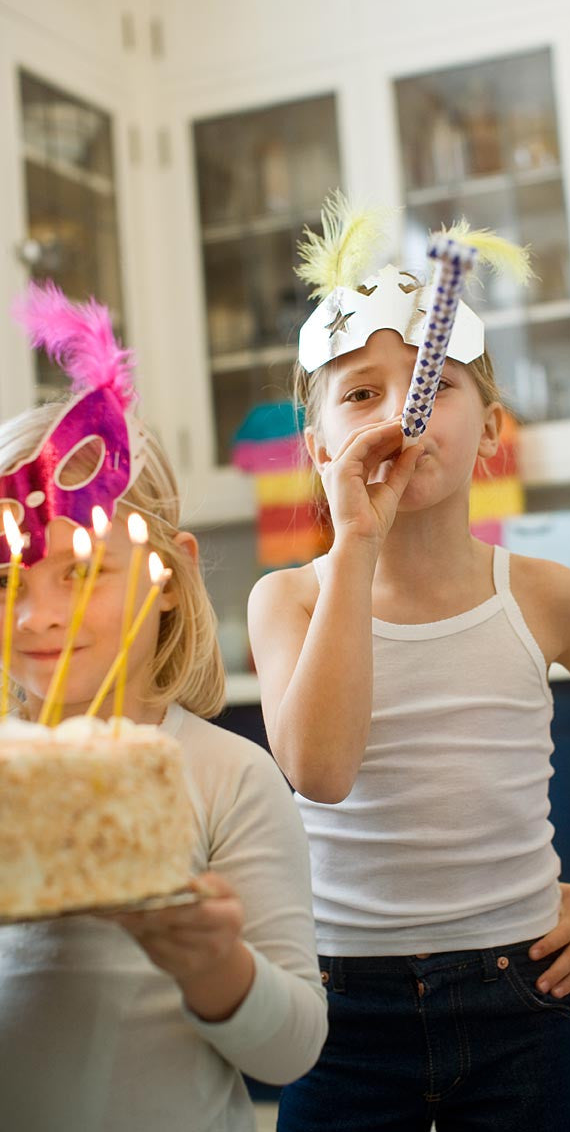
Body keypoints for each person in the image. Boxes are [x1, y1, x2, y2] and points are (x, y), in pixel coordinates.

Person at [247, 199, 570, 1132]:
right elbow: (320, 772)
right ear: (319, 449)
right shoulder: (287, 601)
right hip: (339, 1008)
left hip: (518, 997)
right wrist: (355, 544)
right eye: (359, 394)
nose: (398, 409)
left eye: (433, 382)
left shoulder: (547, 596)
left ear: (490, 429)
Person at [0, 284, 327, 1132]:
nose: (37, 617)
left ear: (169, 579)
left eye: (80, 573)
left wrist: (216, 967)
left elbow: (293, 1050)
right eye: (7, 581)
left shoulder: (227, 778)